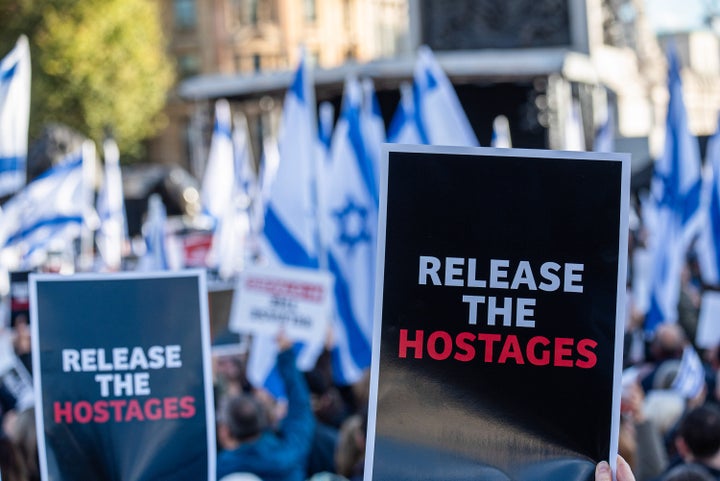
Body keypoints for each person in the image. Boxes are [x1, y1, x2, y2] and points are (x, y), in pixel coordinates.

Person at [216, 331, 315, 481]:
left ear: (225, 431)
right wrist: (286, 354)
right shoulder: (289, 453)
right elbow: (300, 408)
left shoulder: (216, 469)